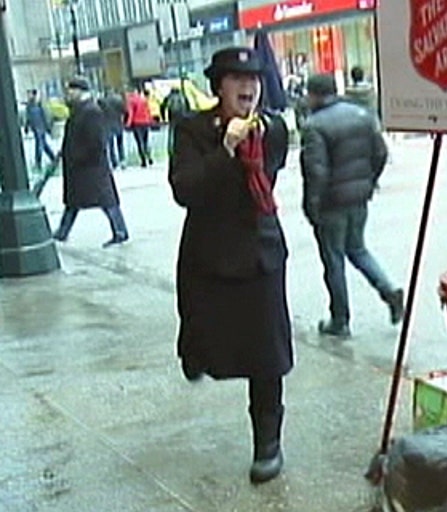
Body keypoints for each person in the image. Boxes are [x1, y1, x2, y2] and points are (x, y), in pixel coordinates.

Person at [169, 47, 292, 484]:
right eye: (238, 79)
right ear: (218, 86)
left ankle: (268, 444)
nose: (249, 88)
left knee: (268, 356)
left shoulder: (273, 130)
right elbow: (186, 189)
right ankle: (197, 352)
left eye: (254, 80)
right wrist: (225, 149)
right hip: (209, 253)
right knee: (201, 331)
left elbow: (265, 175)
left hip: (260, 251)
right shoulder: (191, 130)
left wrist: (247, 144)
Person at [300, 73, 404, 339]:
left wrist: (313, 207)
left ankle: (340, 319)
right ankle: (388, 290)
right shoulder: (362, 115)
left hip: (331, 204)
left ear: (313, 94)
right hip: (359, 197)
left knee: (334, 260)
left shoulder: (314, 126)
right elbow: (380, 153)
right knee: (357, 249)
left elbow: (316, 172)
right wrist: (369, 180)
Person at [52, 77, 130, 248]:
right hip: (83, 168)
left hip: (91, 168)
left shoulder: (91, 111)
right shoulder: (80, 110)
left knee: (106, 201)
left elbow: (96, 141)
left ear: (80, 91)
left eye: (71, 90)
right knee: (74, 202)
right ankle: (63, 232)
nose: (68, 94)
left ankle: (120, 231)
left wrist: (77, 157)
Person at [23, 89, 57, 170]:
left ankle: (38, 163)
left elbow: (45, 116)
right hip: (36, 128)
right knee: (44, 145)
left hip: (41, 128)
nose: (28, 96)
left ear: (34, 95)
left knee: (39, 146)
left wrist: (48, 128)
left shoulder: (39, 105)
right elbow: (28, 118)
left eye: (30, 94)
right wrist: (26, 127)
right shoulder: (29, 106)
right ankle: (53, 159)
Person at [125, 86, 154, 167]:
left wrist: (128, 124)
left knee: (139, 142)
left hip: (137, 123)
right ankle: (149, 157)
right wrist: (150, 120)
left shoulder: (131, 101)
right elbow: (148, 111)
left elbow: (131, 113)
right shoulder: (144, 100)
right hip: (145, 122)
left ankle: (143, 160)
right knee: (146, 141)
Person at [99, 88, 127, 170]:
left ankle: (114, 161)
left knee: (111, 145)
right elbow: (125, 111)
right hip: (118, 124)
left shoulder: (103, 102)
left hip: (108, 125)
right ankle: (122, 160)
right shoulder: (119, 101)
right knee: (120, 144)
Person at [161, 84, 191, 156]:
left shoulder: (169, 97)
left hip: (173, 117)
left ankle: (171, 152)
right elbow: (188, 107)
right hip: (183, 118)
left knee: (172, 135)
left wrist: (164, 117)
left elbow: (162, 107)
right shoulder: (183, 96)